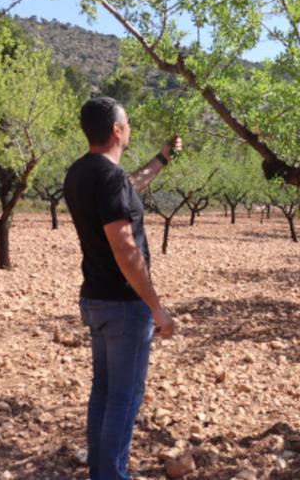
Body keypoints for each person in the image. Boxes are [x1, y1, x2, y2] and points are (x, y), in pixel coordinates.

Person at [64, 97, 179, 480]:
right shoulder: (109, 178)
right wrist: (156, 307)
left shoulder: (81, 172)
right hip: (124, 306)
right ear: (116, 129)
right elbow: (125, 248)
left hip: (96, 301)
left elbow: (129, 187)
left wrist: (161, 160)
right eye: (127, 124)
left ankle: (102, 472)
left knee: (104, 392)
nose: (129, 129)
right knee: (125, 399)